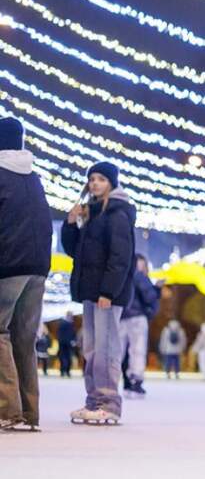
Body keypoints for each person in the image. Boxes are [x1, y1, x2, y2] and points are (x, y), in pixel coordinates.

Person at [62, 160, 137, 425]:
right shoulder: (93, 214)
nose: (95, 183)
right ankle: (94, 400)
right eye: (92, 179)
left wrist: (108, 291)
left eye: (101, 179)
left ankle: (108, 403)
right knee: (92, 348)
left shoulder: (116, 213)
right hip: (91, 291)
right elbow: (77, 252)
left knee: (106, 348)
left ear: (112, 183)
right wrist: (71, 224)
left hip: (106, 293)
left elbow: (120, 256)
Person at [0, 116, 52, 431]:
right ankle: (29, 413)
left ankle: (8, 410)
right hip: (37, 269)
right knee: (24, 338)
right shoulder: (34, 178)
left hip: (7, 267)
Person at [120, 254, 160, 398]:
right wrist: (157, 290)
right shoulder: (139, 276)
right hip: (137, 317)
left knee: (119, 351)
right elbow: (150, 297)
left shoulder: (121, 274)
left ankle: (121, 382)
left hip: (121, 316)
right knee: (137, 350)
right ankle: (135, 382)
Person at [57, 312, 77, 378]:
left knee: (67, 358)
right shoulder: (64, 324)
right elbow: (60, 335)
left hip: (67, 345)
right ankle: (63, 371)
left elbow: (73, 334)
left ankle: (66, 371)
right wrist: (71, 341)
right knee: (64, 358)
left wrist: (74, 341)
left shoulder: (70, 324)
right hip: (64, 344)